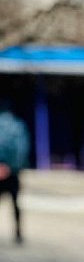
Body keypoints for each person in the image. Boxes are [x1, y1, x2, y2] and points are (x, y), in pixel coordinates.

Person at [0, 99, 30, 244]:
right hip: (12, 172)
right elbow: (22, 149)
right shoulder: (18, 126)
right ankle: (18, 233)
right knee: (15, 203)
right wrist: (12, 167)